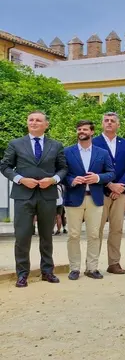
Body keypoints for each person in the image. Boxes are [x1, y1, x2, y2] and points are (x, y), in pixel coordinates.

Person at [0, 111, 68, 288]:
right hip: (23, 195)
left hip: (48, 195)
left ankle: (47, 271)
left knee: (47, 236)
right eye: (31, 120)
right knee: (22, 236)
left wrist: (53, 180)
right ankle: (22, 274)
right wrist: (20, 179)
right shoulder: (15, 144)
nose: (34, 122)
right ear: (27, 123)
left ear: (46, 124)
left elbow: (63, 169)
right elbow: (5, 166)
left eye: (38, 120)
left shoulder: (56, 145)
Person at [63, 120, 116, 280]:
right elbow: (62, 173)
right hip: (73, 198)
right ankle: (74, 269)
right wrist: (72, 180)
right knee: (73, 235)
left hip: (95, 199)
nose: (81, 131)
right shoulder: (67, 152)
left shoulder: (102, 153)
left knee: (94, 235)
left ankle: (92, 268)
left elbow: (111, 173)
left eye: (85, 129)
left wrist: (98, 177)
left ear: (92, 132)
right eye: (79, 129)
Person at [93, 112, 125, 275]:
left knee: (117, 229)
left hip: (120, 193)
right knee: (96, 229)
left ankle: (114, 263)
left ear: (118, 125)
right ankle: (93, 264)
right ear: (102, 124)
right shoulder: (94, 143)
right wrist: (110, 185)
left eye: (112, 121)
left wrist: (121, 186)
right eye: (106, 120)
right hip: (101, 191)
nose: (109, 123)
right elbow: (92, 167)